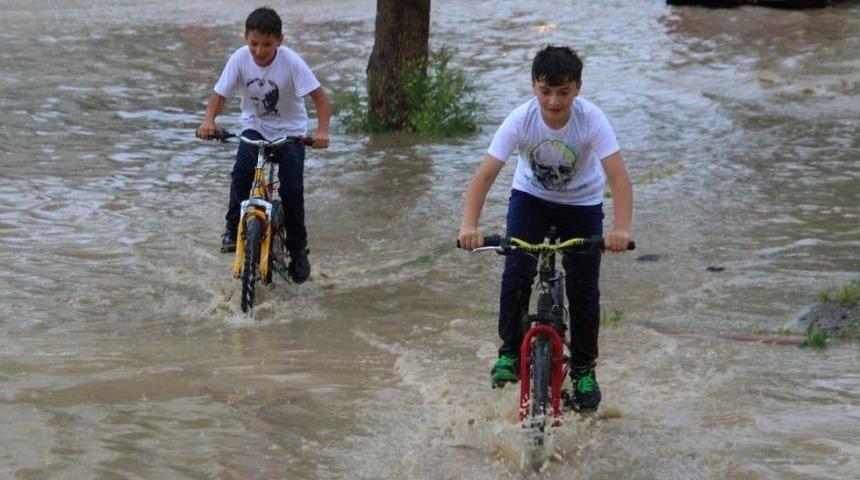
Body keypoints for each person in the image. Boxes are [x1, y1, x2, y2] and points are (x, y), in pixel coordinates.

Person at [457, 45, 633, 411]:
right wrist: (469, 226)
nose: (554, 101)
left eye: (563, 92)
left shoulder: (592, 119)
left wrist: (621, 229)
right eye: (545, 91)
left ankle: (584, 369)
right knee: (516, 271)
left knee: (584, 290)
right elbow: (485, 175)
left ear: (578, 88)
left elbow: (618, 177)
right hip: (530, 198)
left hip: (582, 204)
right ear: (533, 86)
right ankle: (508, 352)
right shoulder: (520, 119)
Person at [196, 6, 330, 284]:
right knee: (242, 171)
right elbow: (219, 95)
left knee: (292, 189)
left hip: (291, 131)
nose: (259, 51)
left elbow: (320, 99)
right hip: (255, 127)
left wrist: (322, 131)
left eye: (267, 45)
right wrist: (209, 120)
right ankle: (233, 228)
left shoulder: (292, 62)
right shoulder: (239, 59)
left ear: (279, 40)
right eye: (254, 44)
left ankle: (298, 250)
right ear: (246, 38)